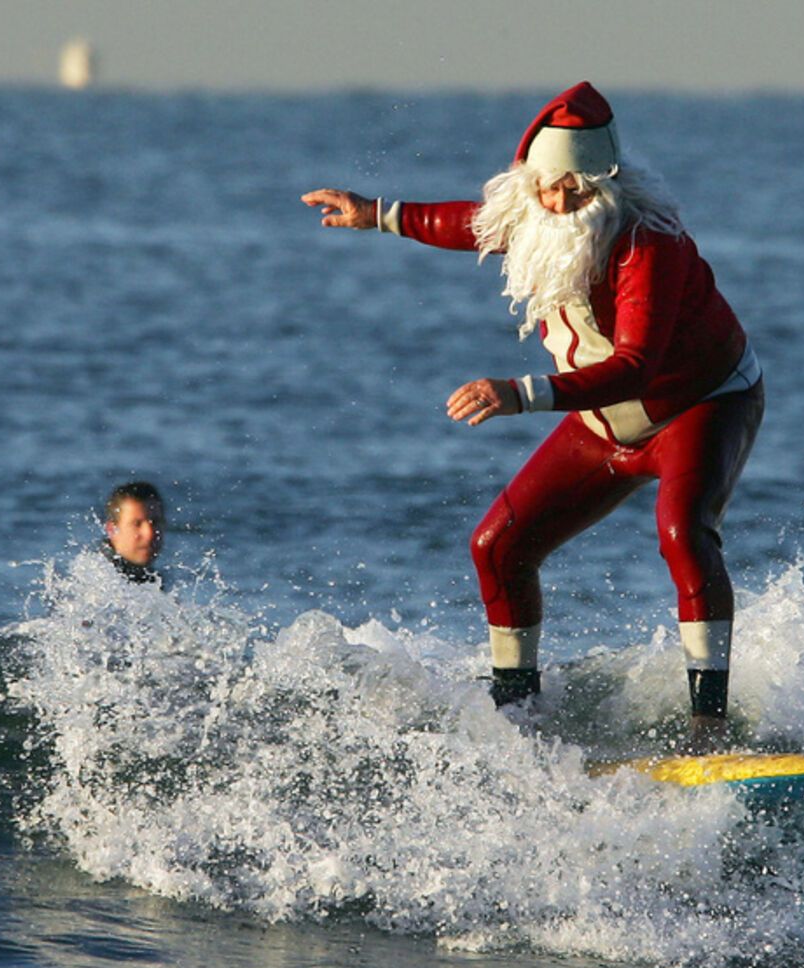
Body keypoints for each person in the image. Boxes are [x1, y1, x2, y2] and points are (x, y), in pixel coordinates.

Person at [302, 82, 763, 750]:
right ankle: (519, 715)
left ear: (606, 183)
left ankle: (708, 727)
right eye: (550, 190)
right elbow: (468, 224)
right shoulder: (533, 214)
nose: (561, 204)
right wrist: (376, 213)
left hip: (698, 405)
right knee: (498, 546)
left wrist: (522, 393)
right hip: (603, 421)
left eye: (577, 191)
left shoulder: (646, 244)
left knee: (681, 532)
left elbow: (636, 365)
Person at [101, 481, 165, 585]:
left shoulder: (149, 578)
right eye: (137, 524)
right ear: (112, 530)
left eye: (155, 522)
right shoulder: (101, 581)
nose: (149, 534)